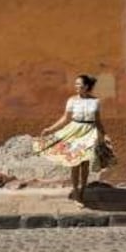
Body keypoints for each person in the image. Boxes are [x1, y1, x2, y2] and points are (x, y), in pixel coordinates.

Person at [33, 74, 106, 205]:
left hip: (89, 133)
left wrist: (103, 135)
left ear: (86, 86)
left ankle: (83, 189)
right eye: (75, 84)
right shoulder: (72, 100)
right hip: (74, 131)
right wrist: (50, 129)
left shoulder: (96, 101)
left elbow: (98, 120)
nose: (76, 86)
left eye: (79, 84)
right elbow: (65, 118)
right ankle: (76, 192)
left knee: (85, 164)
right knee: (75, 163)